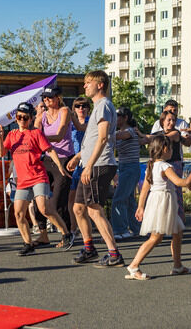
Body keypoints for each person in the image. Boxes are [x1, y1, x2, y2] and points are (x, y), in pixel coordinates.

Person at [0, 102, 73, 255]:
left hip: (38, 176)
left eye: (25, 117)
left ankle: (66, 234)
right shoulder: (12, 135)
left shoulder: (36, 133)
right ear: (16, 118)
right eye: (19, 117)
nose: (22, 120)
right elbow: (2, 153)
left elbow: (50, 150)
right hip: (22, 180)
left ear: (30, 119)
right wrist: (0, 137)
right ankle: (28, 244)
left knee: (44, 208)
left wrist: (60, 166)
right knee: (18, 213)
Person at [67, 70, 123, 267]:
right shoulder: (99, 106)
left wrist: (89, 164)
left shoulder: (104, 105)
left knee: (94, 210)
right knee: (78, 208)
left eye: (88, 82)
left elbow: (103, 137)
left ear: (100, 85)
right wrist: (78, 157)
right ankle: (89, 248)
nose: (85, 86)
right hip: (90, 163)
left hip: (99, 164)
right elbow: (92, 139)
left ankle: (114, 253)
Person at [124, 135, 191, 280]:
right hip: (163, 203)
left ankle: (177, 266)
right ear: (165, 149)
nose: (172, 151)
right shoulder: (165, 166)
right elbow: (179, 182)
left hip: (159, 202)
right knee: (156, 237)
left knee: (177, 232)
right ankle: (134, 266)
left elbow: (145, 189)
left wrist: (141, 206)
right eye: (171, 148)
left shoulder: (152, 166)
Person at [34, 85, 75, 248]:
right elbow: (33, 133)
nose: (46, 100)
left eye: (50, 97)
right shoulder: (42, 115)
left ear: (58, 98)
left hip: (64, 159)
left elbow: (59, 135)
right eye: (44, 97)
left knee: (58, 201)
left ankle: (67, 234)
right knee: (38, 198)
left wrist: (39, 137)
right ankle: (43, 234)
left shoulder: (64, 111)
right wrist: (36, 118)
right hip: (47, 159)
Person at [111, 106, 142, 239]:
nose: (115, 118)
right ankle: (136, 228)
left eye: (117, 116)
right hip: (124, 167)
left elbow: (119, 136)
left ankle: (120, 230)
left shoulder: (130, 131)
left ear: (125, 118)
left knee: (119, 199)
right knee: (129, 200)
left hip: (130, 168)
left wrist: (103, 132)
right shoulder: (119, 131)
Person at [67, 96, 90, 236]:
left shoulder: (91, 122)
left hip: (87, 162)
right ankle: (73, 227)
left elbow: (81, 127)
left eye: (84, 106)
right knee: (71, 197)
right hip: (72, 163)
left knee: (85, 198)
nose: (81, 108)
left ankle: (85, 227)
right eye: (77, 106)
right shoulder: (68, 124)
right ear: (74, 109)